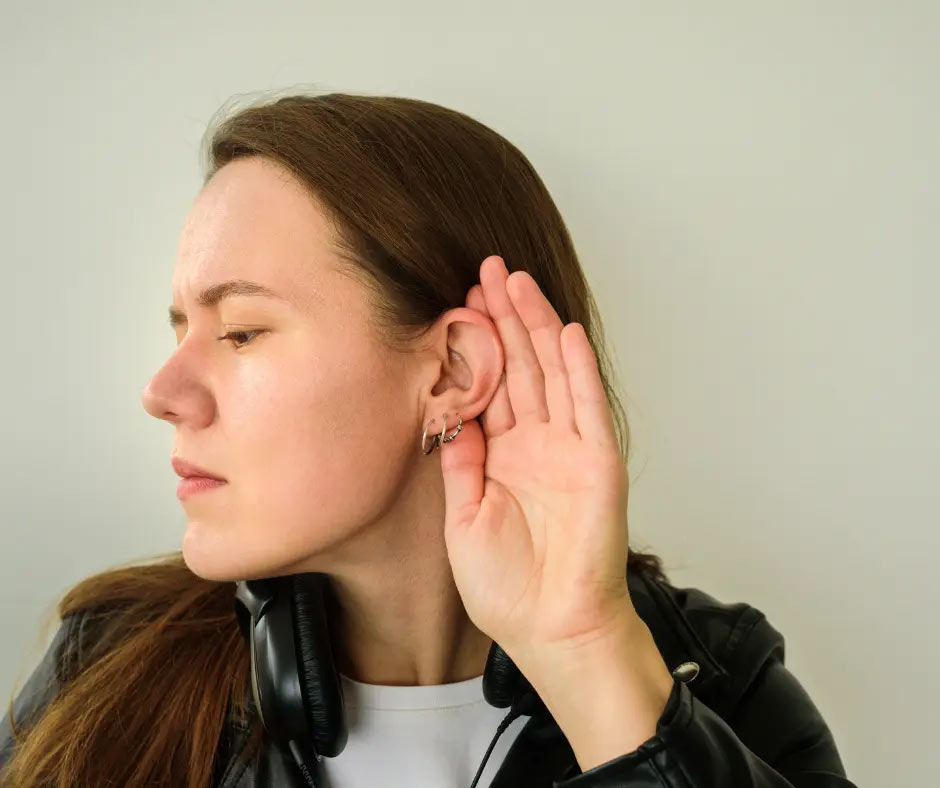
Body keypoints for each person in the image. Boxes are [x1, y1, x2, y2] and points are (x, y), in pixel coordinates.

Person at [0, 92, 856, 787]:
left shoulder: (725, 682)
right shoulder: (105, 669)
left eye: (242, 332)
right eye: (181, 328)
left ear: (450, 372)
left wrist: (589, 656)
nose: (161, 393)